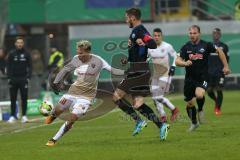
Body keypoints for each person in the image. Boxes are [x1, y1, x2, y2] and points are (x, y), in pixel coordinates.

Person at [44, 40, 124, 146]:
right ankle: (54, 115)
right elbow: (64, 70)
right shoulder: (76, 59)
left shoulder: (98, 60)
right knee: (58, 109)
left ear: (88, 52)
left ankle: (54, 139)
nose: (79, 55)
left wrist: (125, 71)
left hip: (86, 97)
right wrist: (55, 82)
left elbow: (112, 70)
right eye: (78, 52)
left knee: (72, 118)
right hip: (73, 92)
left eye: (81, 53)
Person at [112, 8, 170, 140]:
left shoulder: (140, 30)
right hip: (138, 69)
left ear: (132, 17)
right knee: (137, 104)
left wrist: (144, 42)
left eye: (127, 17)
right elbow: (139, 50)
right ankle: (161, 125)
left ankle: (139, 121)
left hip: (138, 71)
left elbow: (152, 44)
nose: (126, 20)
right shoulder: (134, 32)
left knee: (116, 97)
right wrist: (127, 60)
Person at [175, 25, 230, 131]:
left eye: (194, 33)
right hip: (190, 79)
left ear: (199, 34)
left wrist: (226, 66)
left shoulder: (206, 45)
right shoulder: (185, 47)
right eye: (190, 33)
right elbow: (177, 61)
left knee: (199, 94)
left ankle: (200, 109)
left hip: (203, 77)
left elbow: (220, 51)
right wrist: (184, 63)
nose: (192, 35)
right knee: (190, 103)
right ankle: (194, 123)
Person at [148, 28, 179, 123]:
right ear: (153, 37)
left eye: (158, 35)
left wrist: (173, 66)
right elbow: (145, 58)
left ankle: (174, 110)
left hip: (166, 74)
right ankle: (163, 116)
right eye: (155, 36)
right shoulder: (149, 48)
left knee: (158, 96)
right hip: (156, 75)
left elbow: (176, 55)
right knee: (154, 98)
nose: (156, 37)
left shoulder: (167, 46)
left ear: (161, 36)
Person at [6, 36, 32, 123]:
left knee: (24, 97)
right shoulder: (11, 53)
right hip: (13, 79)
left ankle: (24, 116)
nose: (19, 44)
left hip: (23, 78)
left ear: (23, 44)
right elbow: (8, 66)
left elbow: (30, 66)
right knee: (13, 98)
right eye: (18, 43)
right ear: (15, 44)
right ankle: (13, 115)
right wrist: (9, 77)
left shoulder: (27, 54)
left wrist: (28, 77)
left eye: (21, 43)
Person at [207, 28, 229, 116]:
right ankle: (217, 101)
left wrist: (226, 67)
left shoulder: (224, 46)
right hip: (209, 72)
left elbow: (227, 59)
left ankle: (218, 108)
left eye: (217, 33)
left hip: (220, 72)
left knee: (219, 89)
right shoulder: (208, 46)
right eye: (214, 33)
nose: (216, 35)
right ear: (212, 35)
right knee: (209, 91)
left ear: (220, 35)